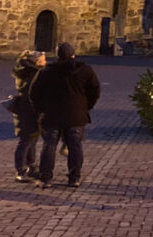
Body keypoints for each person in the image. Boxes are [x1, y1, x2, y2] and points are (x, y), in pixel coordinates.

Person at [29, 42, 101, 189]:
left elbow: (34, 93)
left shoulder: (46, 71)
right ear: (73, 55)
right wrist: (86, 106)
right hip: (76, 113)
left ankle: (46, 177)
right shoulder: (85, 70)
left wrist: (40, 110)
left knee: (49, 145)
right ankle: (74, 177)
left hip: (51, 114)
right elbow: (95, 90)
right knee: (75, 146)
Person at [11, 50, 45, 183]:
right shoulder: (32, 73)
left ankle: (31, 167)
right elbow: (34, 92)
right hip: (28, 109)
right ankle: (20, 170)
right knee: (26, 140)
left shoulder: (26, 70)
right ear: (36, 61)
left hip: (25, 108)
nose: (45, 62)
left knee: (32, 139)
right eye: (43, 60)